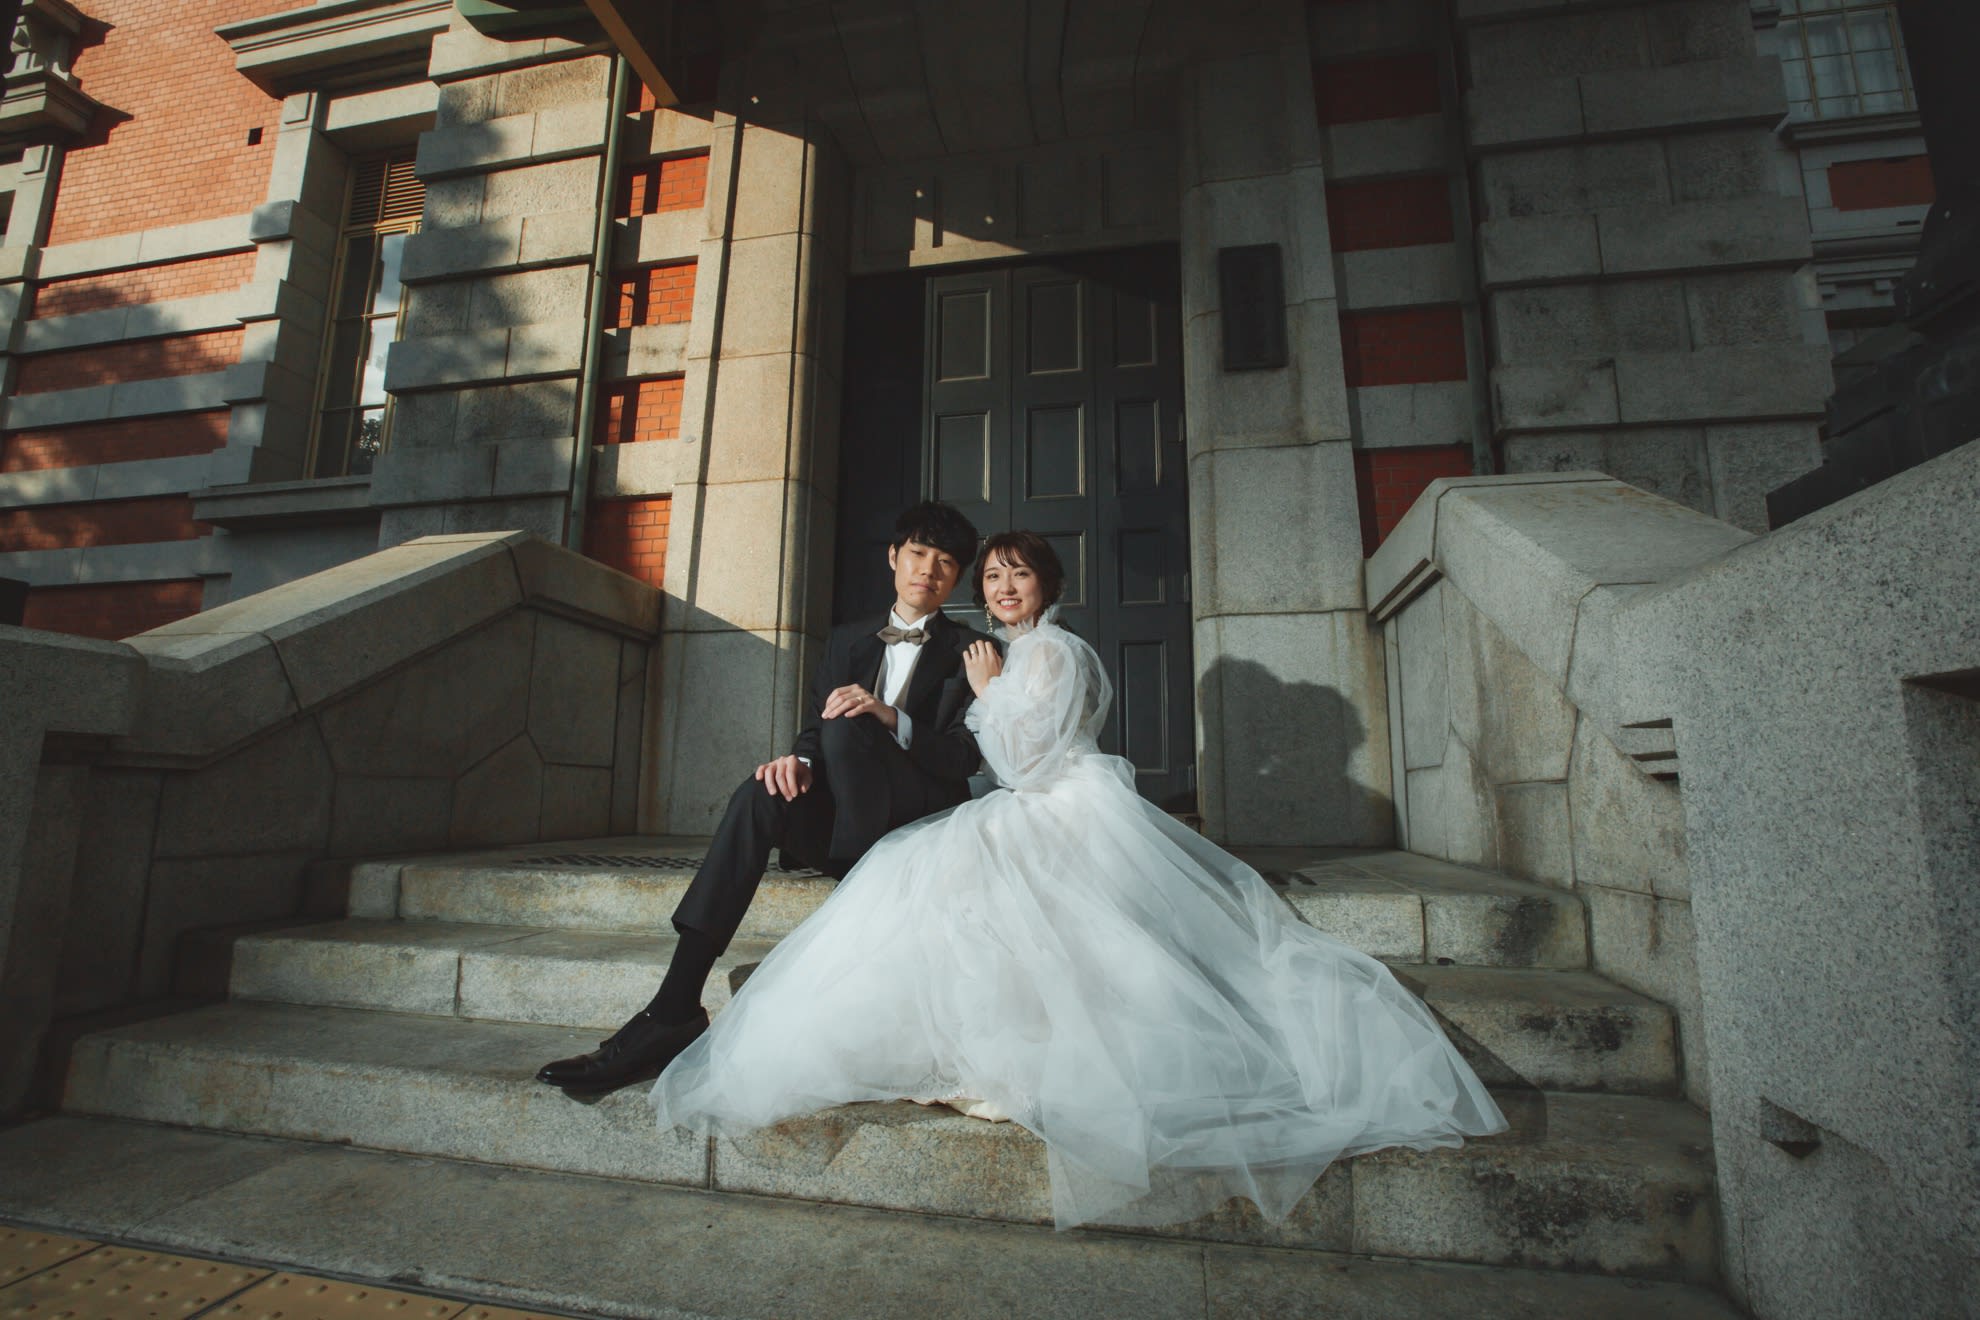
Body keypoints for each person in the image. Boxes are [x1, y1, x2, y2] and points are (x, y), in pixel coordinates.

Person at [648, 531, 1508, 1230]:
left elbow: (1025, 764)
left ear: (1047, 584)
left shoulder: (1051, 652)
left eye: (1017, 574)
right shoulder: (1006, 651)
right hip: (1027, 800)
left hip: (1060, 806)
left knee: (959, 888)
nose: (1003, 588)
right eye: (992, 577)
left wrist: (987, 694)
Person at [536, 500, 992, 1094]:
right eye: (918, 553)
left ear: (957, 578)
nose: (928, 569)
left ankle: (860, 888)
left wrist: (890, 717)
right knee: (762, 791)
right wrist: (798, 763)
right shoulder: (847, 638)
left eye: (946, 562)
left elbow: (963, 759)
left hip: (917, 832)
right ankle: (673, 1008)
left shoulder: (973, 650)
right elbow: (814, 733)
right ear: (893, 557)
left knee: (850, 721)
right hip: (850, 830)